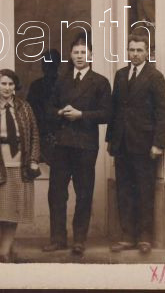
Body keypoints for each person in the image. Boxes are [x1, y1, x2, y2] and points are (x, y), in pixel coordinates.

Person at [43, 34, 112, 257]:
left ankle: (79, 239)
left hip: (85, 145)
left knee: (84, 193)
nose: (80, 56)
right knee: (56, 193)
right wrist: (59, 112)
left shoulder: (100, 82)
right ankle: (58, 238)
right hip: (62, 145)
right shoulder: (61, 81)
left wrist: (82, 115)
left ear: (90, 55)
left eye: (84, 52)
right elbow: (47, 110)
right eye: (76, 52)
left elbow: (107, 113)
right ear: (70, 55)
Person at [105, 32, 165, 254]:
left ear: (147, 52)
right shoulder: (121, 75)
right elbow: (115, 110)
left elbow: (163, 112)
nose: (135, 54)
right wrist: (111, 140)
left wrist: (158, 143)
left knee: (144, 190)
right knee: (124, 190)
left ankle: (144, 237)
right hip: (122, 143)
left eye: (139, 50)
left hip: (145, 144)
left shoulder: (155, 77)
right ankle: (127, 236)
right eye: (131, 50)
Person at [0, 69, 41, 263]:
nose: (7, 88)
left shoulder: (25, 107)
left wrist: (33, 160)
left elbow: (34, 135)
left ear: (15, 86)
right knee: (2, 210)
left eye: (10, 84)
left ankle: (3, 252)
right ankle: (10, 248)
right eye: (3, 84)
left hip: (21, 165)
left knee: (14, 209)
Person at [26, 49, 62, 164]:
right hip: (40, 135)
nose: (47, 67)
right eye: (44, 63)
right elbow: (30, 112)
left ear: (58, 64)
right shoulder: (36, 86)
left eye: (51, 63)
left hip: (61, 136)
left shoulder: (65, 85)